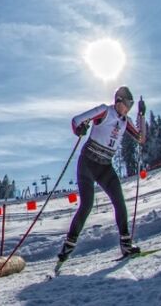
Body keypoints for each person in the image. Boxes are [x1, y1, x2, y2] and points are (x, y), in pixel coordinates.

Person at [57, 86, 147, 265]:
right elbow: (76, 120)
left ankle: (126, 244)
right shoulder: (105, 111)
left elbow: (141, 139)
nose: (128, 108)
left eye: (131, 105)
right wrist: (80, 129)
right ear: (119, 101)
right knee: (87, 204)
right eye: (127, 104)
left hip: (105, 166)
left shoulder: (125, 121)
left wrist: (142, 116)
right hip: (88, 163)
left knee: (119, 202)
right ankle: (68, 245)